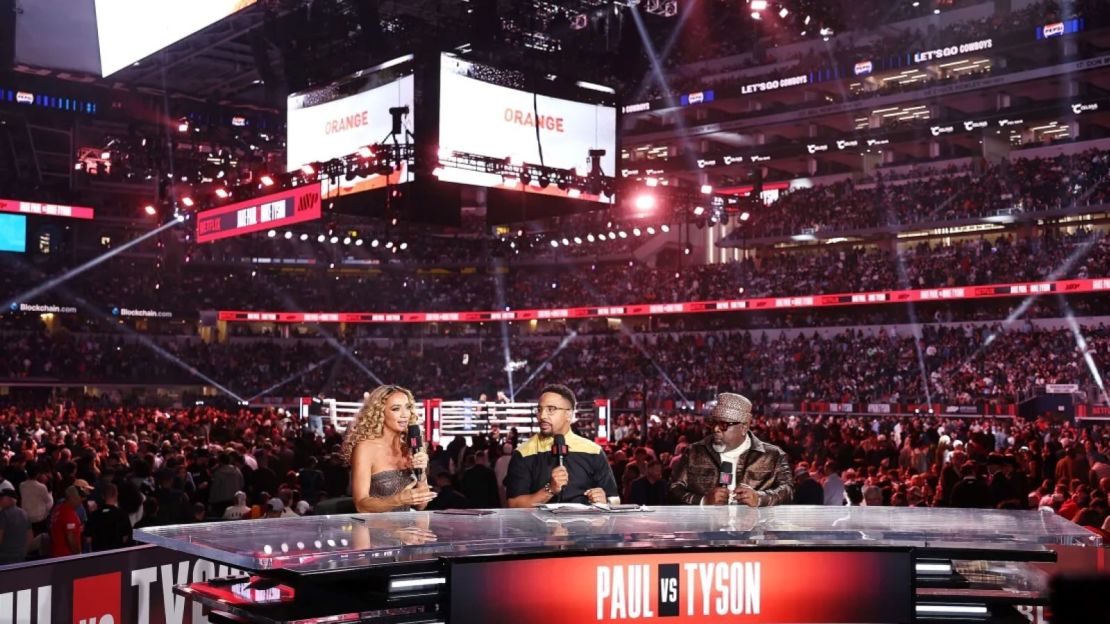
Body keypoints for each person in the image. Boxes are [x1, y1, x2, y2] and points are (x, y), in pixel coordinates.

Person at [668, 393, 793, 506]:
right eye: (713, 423)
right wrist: (702, 501)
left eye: (723, 424)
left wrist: (760, 498)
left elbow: (788, 490)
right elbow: (673, 489)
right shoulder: (695, 452)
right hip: (707, 529)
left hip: (754, 529)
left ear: (744, 427)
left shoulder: (772, 455)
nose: (716, 429)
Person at [505, 384, 618, 507]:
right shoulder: (523, 452)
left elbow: (615, 500)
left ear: (568, 414)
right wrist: (550, 490)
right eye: (539, 409)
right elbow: (514, 505)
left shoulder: (593, 451)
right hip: (537, 526)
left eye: (551, 409)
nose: (542, 416)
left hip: (584, 526)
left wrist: (605, 501)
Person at [342, 385, 436, 512]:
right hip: (375, 529)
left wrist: (422, 473)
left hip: (408, 528)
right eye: (396, 409)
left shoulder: (411, 445)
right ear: (380, 413)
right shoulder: (366, 448)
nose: (405, 415)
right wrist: (399, 500)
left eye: (408, 407)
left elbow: (422, 505)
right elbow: (361, 505)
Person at [85, 483, 132, 552]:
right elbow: (125, 537)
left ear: (103, 496)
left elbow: (88, 539)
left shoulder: (94, 515)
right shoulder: (122, 514)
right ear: (116, 495)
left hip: (98, 556)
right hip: (116, 555)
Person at [49, 485, 86, 557]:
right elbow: (70, 538)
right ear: (72, 498)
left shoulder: (57, 509)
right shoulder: (69, 514)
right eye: (79, 498)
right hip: (66, 557)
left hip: (56, 554)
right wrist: (78, 554)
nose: (81, 502)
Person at [0, 488, 31, 565]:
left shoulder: (3, 514)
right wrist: (24, 551)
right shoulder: (24, 513)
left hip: (4, 557)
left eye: (1, 499)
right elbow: (30, 535)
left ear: (10, 499)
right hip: (20, 556)